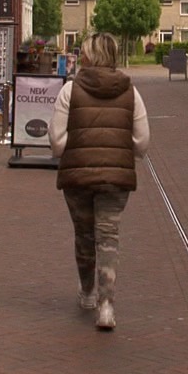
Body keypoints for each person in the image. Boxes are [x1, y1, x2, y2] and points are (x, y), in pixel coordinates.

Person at [49, 32, 150, 331]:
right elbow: (142, 143)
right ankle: (107, 307)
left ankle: (88, 293)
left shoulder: (70, 90)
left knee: (84, 235)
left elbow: (56, 142)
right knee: (108, 236)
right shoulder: (132, 92)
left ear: (88, 57)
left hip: (77, 176)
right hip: (116, 178)